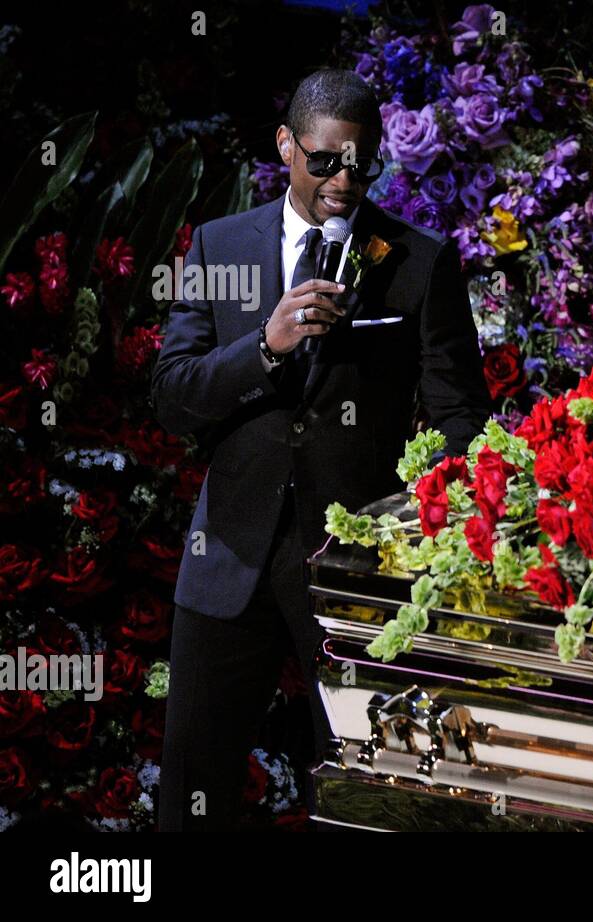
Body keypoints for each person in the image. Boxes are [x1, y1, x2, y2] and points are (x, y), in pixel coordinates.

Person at [151, 68, 491, 830]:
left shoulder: (419, 262)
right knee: (194, 783)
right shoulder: (219, 244)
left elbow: (463, 418)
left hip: (356, 571)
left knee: (365, 789)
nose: (344, 179)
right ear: (285, 146)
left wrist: (414, 530)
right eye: (324, 160)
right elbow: (173, 397)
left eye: (361, 163)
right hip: (229, 557)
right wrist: (264, 347)